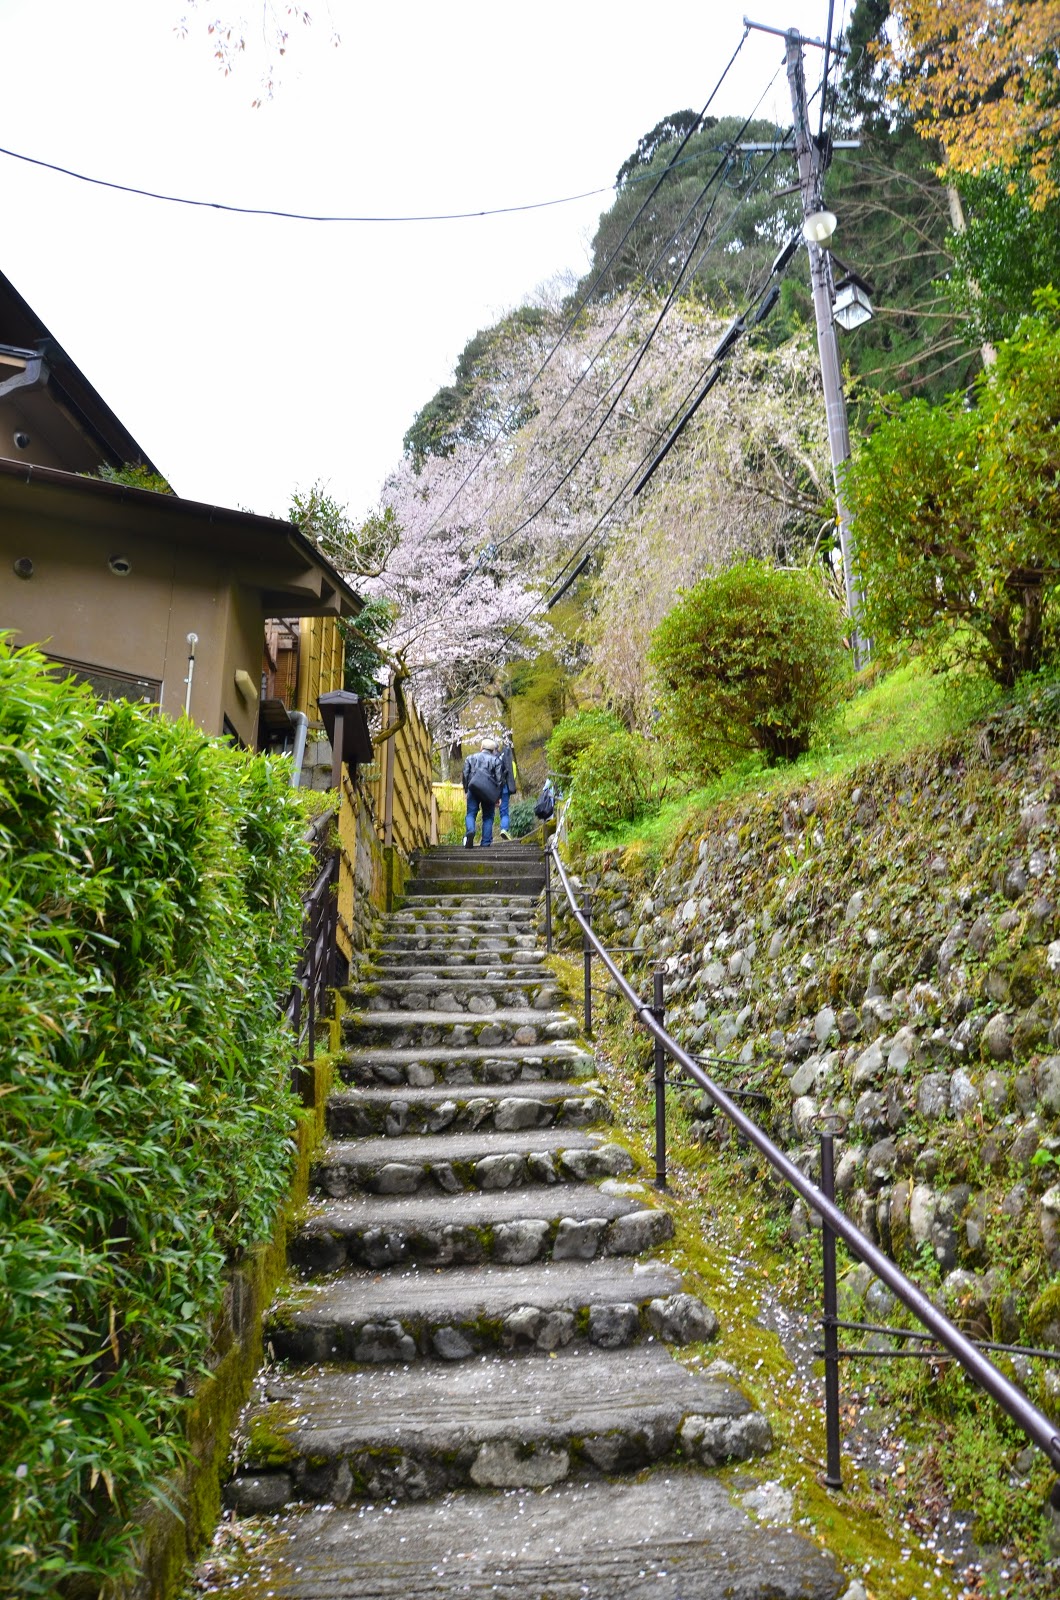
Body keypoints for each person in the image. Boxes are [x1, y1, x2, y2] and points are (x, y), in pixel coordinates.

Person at [462, 737, 505, 848]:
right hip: (488, 792)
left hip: (473, 788)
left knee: (471, 813)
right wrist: (498, 796)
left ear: (481, 748)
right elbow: (500, 780)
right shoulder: (496, 761)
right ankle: (485, 843)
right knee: (488, 817)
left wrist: (466, 790)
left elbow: (465, 775)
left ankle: (470, 831)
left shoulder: (470, 758)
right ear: (493, 750)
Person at [498, 734, 518, 841]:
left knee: (489, 813)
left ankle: (486, 837)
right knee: (504, 811)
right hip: (505, 789)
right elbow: (513, 776)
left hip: (494, 789)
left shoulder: (496, 760)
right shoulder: (512, 764)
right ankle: (504, 829)